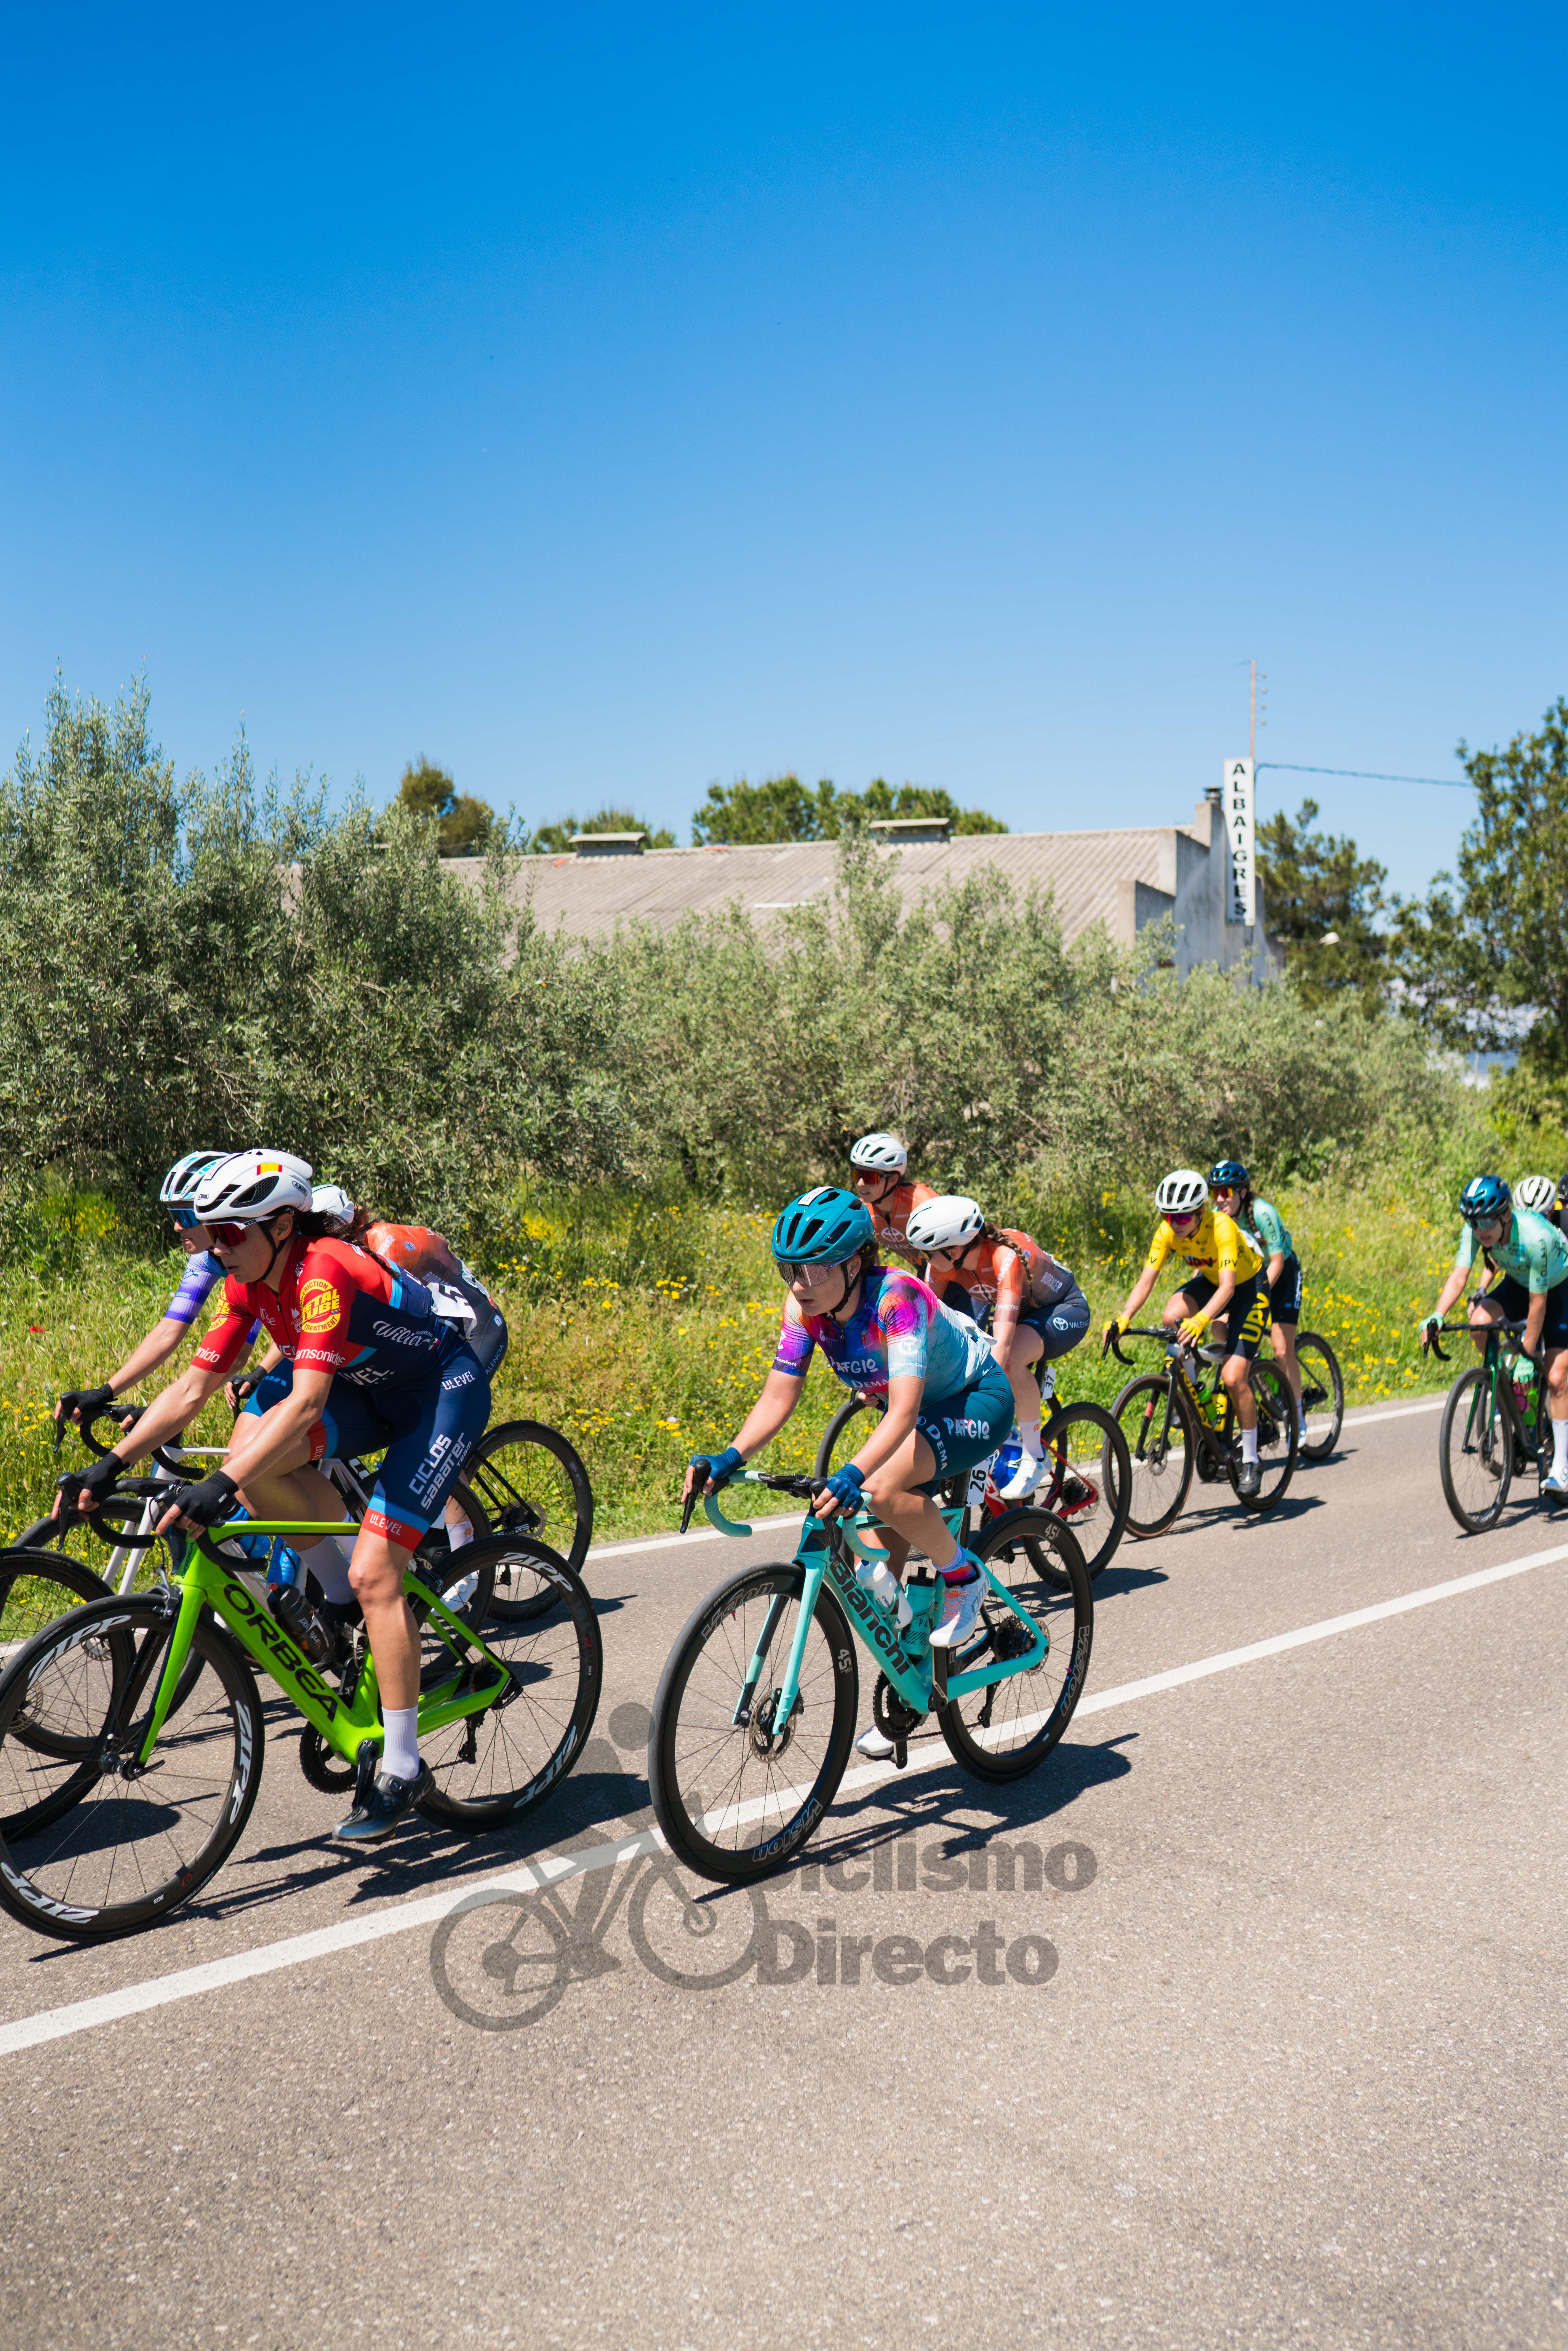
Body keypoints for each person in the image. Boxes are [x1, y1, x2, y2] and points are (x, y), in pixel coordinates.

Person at [57, 1148, 493, 1842]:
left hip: (439, 1394)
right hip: (373, 1392)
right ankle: (343, 1608)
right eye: (213, 1231)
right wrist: (109, 1464)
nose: (218, 1246)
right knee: (251, 1460)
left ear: (283, 1225)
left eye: (232, 1233)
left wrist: (218, 1488)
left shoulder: (322, 1270)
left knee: (376, 1570)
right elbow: (193, 1389)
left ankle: (403, 1766)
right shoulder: (249, 1282)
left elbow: (309, 1400)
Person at [683, 1185, 1015, 1756]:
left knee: (882, 1488)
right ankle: (912, 1695)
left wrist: (852, 1474)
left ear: (854, 1261)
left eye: (812, 1270)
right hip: (911, 1409)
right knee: (874, 1581)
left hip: (974, 1397)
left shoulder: (896, 1299)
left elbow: (907, 1411)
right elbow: (778, 1397)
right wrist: (729, 1456)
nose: (798, 1284)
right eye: (789, 1269)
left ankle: (962, 1577)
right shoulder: (803, 1310)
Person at [53, 1151, 263, 1437]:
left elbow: (238, 1356)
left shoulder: (255, 1261)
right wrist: (105, 1392)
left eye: (186, 1215)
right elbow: (168, 1332)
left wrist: (164, 1410)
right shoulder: (205, 1259)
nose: (177, 1227)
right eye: (174, 1215)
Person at [904, 1195, 1091, 1503]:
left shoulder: (1004, 1258)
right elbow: (921, 1323)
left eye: (926, 1252)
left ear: (953, 1250)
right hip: (1021, 1311)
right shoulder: (946, 1266)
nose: (922, 1258)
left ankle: (1035, 1454)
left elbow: (1002, 1346)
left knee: (1011, 1358)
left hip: (1064, 1309)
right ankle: (1003, 1444)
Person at [1108, 1169, 1269, 1499]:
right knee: (1171, 1317)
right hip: (1211, 1282)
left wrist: (1200, 1320)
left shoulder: (1221, 1226)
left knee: (1235, 1376)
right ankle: (1196, 1390)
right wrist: (1123, 1317)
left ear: (1200, 1212)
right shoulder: (1167, 1230)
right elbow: (1146, 1280)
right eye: (1169, 1215)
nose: (1175, 1223)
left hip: (1247, 1287)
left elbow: (1228, 1288)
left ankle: (1252, 1458)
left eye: (1183, 1216)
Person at [1420, 1174, 1568, 1499]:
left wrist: (1529, 1355)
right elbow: (1460, 1275)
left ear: (1505, 1215)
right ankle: (1509, 1394)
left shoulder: (1536, 1237)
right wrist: (1438, 1314)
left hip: (1558, 1289)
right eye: (1474, 1222)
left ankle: (1562, 1466)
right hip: (1520, 1282)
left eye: (1488, 1220)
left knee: (1557, 1377)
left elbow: (1538, 1304)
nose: (1481, 1229)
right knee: (1479, 1323)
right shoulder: (1477, 1231)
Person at [1208, 1160, 1306, 1440]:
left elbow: (1275, 1264)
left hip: (1283, 1275)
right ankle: (1253, 1372)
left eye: (1226, 1192)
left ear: (1242, 1192)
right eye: (1215, 1192)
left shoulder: (1263, 1213)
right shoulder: (1218, 1217)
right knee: (1219, 1327)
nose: (1220, 1199)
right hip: (1246, 1279)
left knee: (1282, 1350)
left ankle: (1298, 1418)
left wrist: (1255, 1299)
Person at [847, 1133, 937, 1268]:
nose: (860, 1184)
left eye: (870, 1178)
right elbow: (871, 1260)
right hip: (926, 1270)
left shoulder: (923, 1204)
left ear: (893, 1180)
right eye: (857, 1175)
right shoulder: (863, 1211)